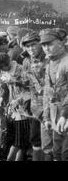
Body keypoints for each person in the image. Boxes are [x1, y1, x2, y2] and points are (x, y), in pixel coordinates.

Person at [21, 31, 52, 161]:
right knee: (35, 139)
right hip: (35, 107)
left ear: (41, 43)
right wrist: (24, 99)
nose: (31, 49)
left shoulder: (50, 58)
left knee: (49, 142)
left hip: (50, 106)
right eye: (27, 46)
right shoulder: (26, 61)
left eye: (33, 45)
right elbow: (26, 84)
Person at [40, 29, 68, 161]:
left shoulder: (66, 62)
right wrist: (46, 117)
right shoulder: (50, 63)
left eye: (50, 44)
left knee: (65, 154)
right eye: (44, 45)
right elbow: (47, 92)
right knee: (56, 153)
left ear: (61, 44)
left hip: (65, 115)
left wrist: (65, 115)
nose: (46, 48)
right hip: (56, 115)